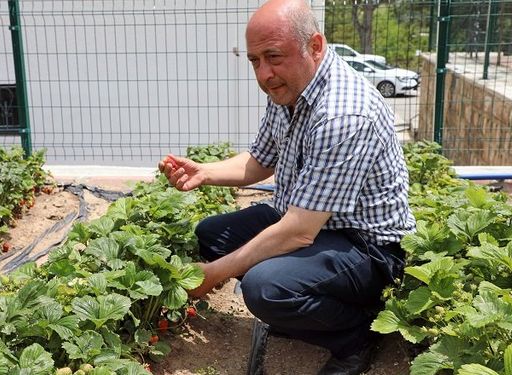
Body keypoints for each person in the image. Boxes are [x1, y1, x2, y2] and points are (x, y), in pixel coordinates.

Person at [158, 0, 416, 374]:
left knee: (265, 288)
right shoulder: (288, 87)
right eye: (254, 61)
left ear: (315, 46)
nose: (264, 74)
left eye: (273, 56)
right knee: (212, 236)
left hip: (366, 247)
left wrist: (214, 274)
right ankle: (305, 307)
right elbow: (261, 159)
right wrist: (205, 172)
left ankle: (355, 335)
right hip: (311, 221)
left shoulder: (344, 114)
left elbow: (297, 231)